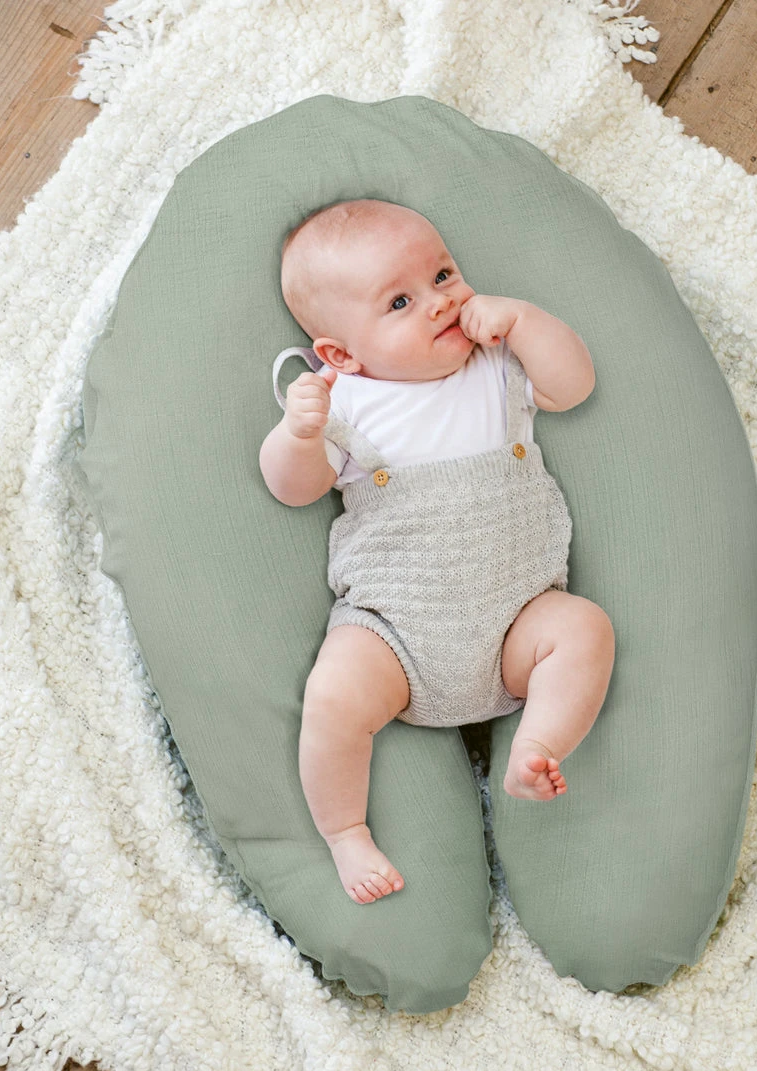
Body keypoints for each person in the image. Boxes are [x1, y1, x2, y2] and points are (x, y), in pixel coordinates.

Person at [260, 199, 615, 905]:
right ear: (342, 354)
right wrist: (297, 435)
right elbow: (293, 490)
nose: (439, 302)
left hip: (519, 620)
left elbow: (574, 385)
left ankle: (537, 744)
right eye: (400, 302)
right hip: (394, 633)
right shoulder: (342, 401)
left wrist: (525, 320)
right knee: (333, 696)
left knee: (584, 628)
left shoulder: (496, 361)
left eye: (443, 275)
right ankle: (345, 832)